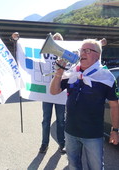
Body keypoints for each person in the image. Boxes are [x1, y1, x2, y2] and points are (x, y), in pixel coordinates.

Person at [50, 38, 119, 169]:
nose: (82, 53)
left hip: (93, 134)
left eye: (88, 51)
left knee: (96, 167)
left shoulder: (106, 76)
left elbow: (115, 105)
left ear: (97, 55)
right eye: (82, 50)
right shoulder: (72, 73)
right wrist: (58, 74)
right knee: (73, 165)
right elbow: (54, 91)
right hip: (70, 131)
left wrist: (115, 130)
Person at [39, 32, 66, 154]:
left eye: (58, 40)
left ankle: (62, 143)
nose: (56, 42)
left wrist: (99, 44)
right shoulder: (44, 54)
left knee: (61, 121)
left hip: (61, 94)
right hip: (47, 94)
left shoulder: (66, 54)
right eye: (54, 40)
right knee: (46, 120)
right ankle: (44, 144)